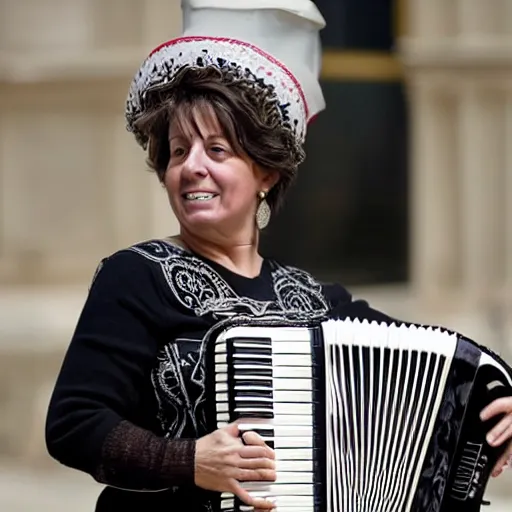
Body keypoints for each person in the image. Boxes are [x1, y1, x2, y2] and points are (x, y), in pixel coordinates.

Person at [45, 1, 512, 511]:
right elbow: (74, 422)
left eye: (216, 150)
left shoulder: (319, 303)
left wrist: (501, 401)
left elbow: (454, 375)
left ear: (265, 174)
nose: (191, 167)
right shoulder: (136, 275)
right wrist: (188, 461)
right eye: (178, 152)